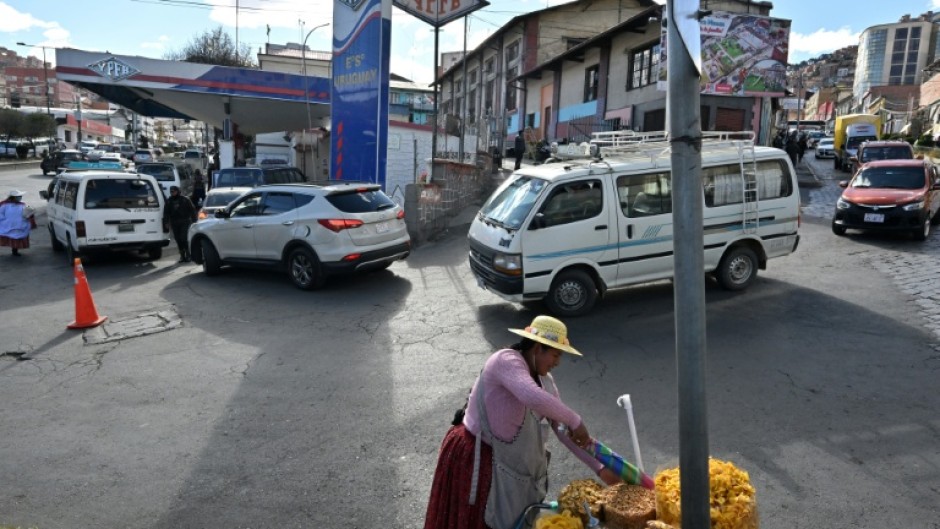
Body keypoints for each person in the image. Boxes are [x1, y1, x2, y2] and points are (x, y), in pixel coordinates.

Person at [424, 315, 620, 529]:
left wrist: (599, 467)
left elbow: (561, 430)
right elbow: (531, 397)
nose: (557, 362)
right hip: (476, 457)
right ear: (537, 348)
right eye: (555, 355)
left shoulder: (545, 380)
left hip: (508, 466)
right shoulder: (505, 360)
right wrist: (576, 421)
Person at [163, 186, 197, 263]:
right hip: (174, 222)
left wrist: (194, 221)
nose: (172, 193)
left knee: (183, 238)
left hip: (185, 221)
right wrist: (166, 222)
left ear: (178, 191)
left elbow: (192, 210)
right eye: (171, 192)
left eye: (174, 191)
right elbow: (166, 213)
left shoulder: (185, 199)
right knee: (178, 240)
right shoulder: (169, 201)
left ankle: (188, 255)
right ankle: (182, 256)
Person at [0, 190, 37, 257]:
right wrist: (5, 221)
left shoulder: (22, 205)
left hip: (19, 224)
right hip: (8, 224)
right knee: (11, 236)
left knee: (16, 237)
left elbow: (27, 213)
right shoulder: (4, 205)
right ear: (13, 197)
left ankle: (15, 250)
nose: (20, 197)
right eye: (18, 196)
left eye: (20, 196)